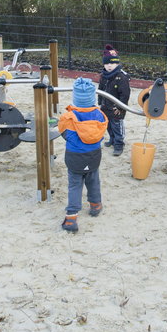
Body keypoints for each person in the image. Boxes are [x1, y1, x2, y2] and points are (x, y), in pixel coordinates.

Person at [58, 77, 108, 233]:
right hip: (93, 155)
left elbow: (64, 134)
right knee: (93, 180)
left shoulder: (68, 117)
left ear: (75, 98)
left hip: (75, 157)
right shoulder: (100, 115)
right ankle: (95, 205)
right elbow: (100, 136)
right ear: (92, 98)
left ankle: (72, 217)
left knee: (75, 184)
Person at [97, 44, 130, 157]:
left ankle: (119, 144)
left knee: (117, 126)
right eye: (106, 63)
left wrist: (120, 107)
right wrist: (100, 102)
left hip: (117, 108)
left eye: (112, 63)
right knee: (108, 125)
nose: (109, 66)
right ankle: (112, 139)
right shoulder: (103, 76)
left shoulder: (121, 77)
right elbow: (100, 89)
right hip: (105, 107)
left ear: (117, 63)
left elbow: (125, 94)